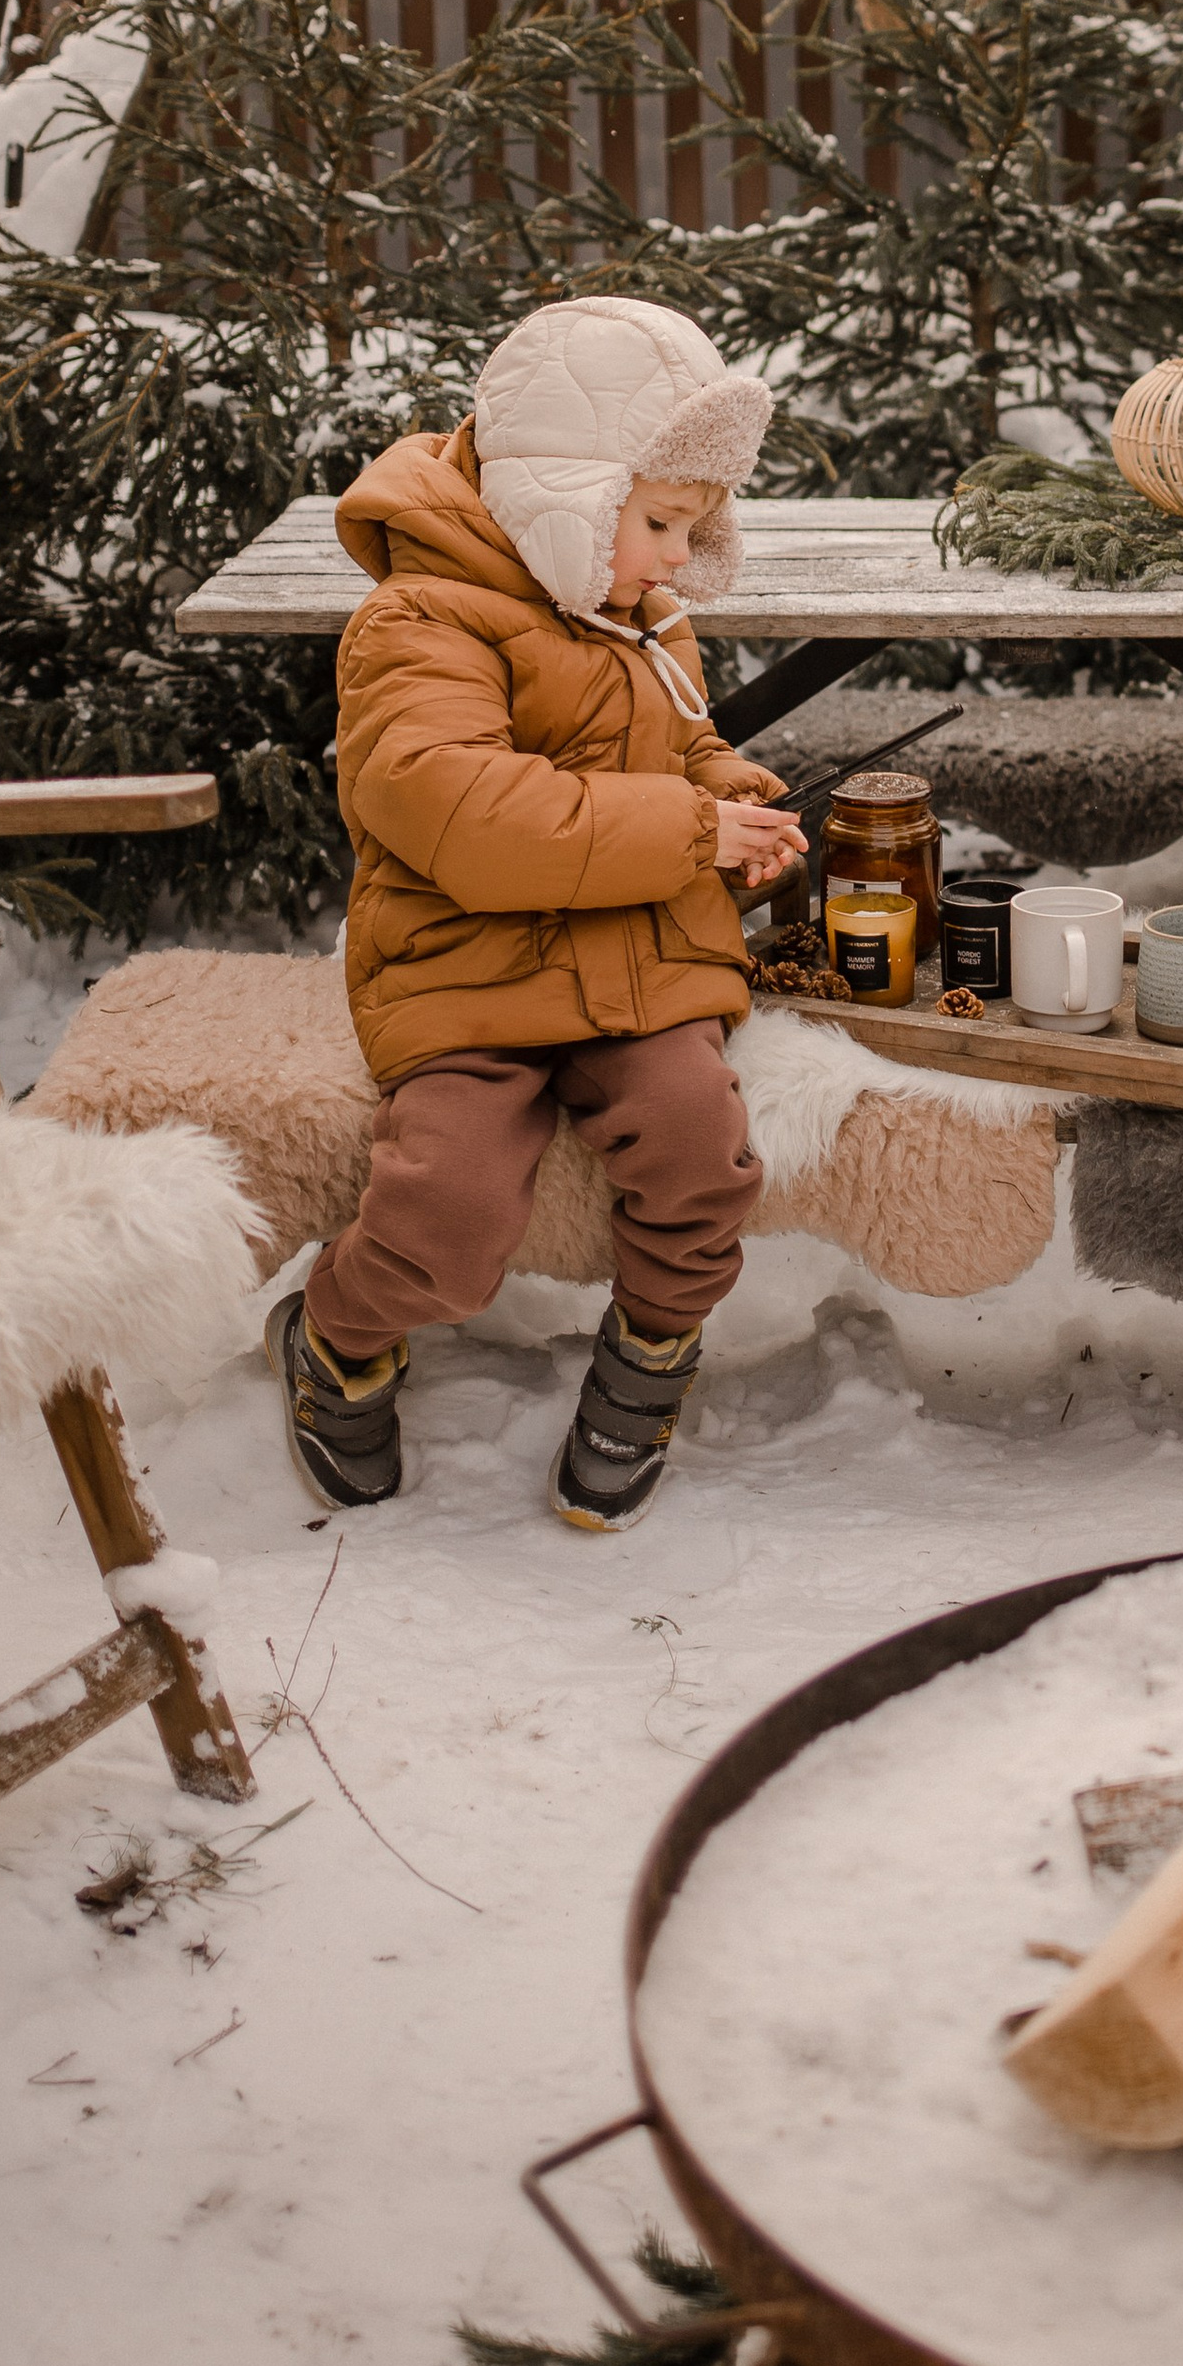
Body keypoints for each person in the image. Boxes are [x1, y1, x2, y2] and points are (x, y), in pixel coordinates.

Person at [270, 297, 808, 1529]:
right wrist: (686, 831)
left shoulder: (630, 611)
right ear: (565, 498)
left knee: (697, 1149)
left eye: (693, 527)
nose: (678, 559)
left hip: (633, 955)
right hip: (470, 964)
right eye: (661, 522)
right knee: (449, 1207)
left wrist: (724, 791)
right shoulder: (419, 621)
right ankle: (336, 1337)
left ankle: (653, 1354)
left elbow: (679, 741)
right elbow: (459, 808)